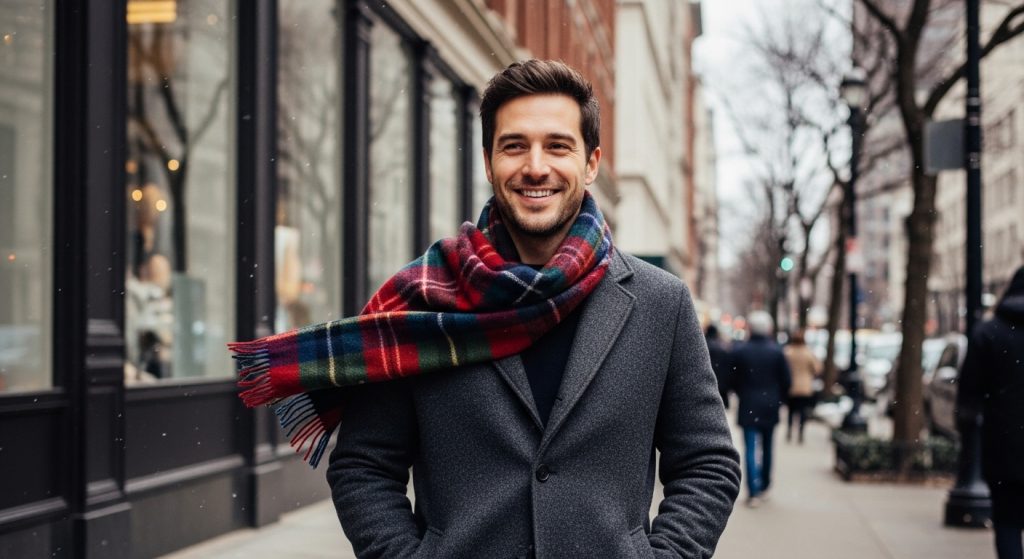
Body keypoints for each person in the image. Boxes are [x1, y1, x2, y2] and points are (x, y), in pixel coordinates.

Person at [230, 59, 739, 558]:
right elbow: (363, 466)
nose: (535, 166)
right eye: (514, 146)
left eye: (557, 146)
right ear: (488, 160)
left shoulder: (660, 303)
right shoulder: (422, 301)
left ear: (591, 163)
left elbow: (707, 463)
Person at [957, 266, 1024, 559]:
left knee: (1008, 525)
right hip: (1004, 443)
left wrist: (969, 429)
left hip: (1005, 447)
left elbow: (969, 392)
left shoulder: (988, 332)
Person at [729, 310, 791, 508]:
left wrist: (741, 392)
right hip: (770, 405)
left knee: (749, 447)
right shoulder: (777, 351)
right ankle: (764, 485)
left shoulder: (740, 351)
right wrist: (778, 396)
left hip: (748, 404)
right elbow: (786, 381)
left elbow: (732, 380)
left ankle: (753, 490)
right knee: (768, 447)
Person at [783, 329, 822, 444]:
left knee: (791, 411)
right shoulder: (808, 353)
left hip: (791, 387)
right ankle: (800, 433)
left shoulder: (787, 352)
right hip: (804, 387)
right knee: (802, 412)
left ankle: (789, 430)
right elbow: (817, 368)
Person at [705, 323, 732, 408]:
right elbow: (727, 367)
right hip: (720, 384)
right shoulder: (721, 348)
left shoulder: (703, 347)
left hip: (705, 383)